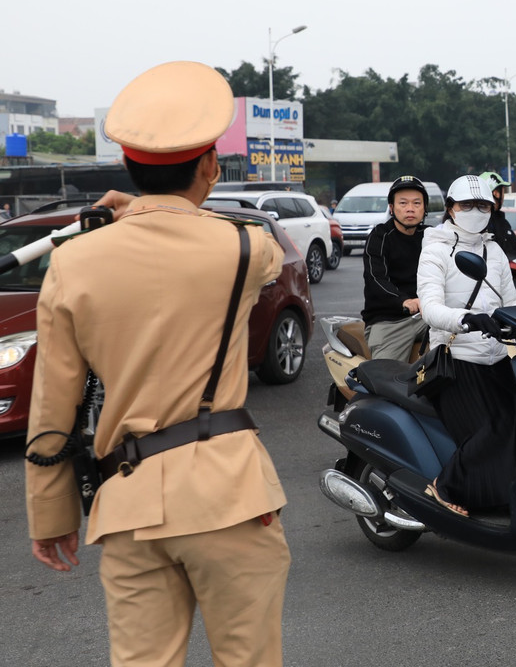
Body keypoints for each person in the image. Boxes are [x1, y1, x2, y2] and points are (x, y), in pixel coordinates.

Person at [24, 61, 290, 666]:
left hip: (127, 501)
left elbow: (53, 406)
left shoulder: (73, 263)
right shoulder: (244, 247)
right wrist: (155, 212)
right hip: (230, 497)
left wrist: (50, 514)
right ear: (208, 166)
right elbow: (268, 247)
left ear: (128, 170)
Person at [416, 174, 516, 518]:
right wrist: (468, 319)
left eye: (483, 205)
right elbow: (430, 309)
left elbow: (512, 302)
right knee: (494, 427)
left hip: (496, 357)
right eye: (467, 205)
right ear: (450, 209)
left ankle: (504, 497)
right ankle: (444, 485)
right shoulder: (435, 251)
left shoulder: (494, 250)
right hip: (456, 360)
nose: (476, 211)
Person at [361, 175, 431, 361]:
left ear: (425, 208)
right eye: (403, 203)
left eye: (417, 203)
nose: (410, 208)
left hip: (429, 315)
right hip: (390, 320)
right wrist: (405, 301)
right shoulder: (380, 236)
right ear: (391, 208)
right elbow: (376, 278)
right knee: (387, 381)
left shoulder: (433, 236)